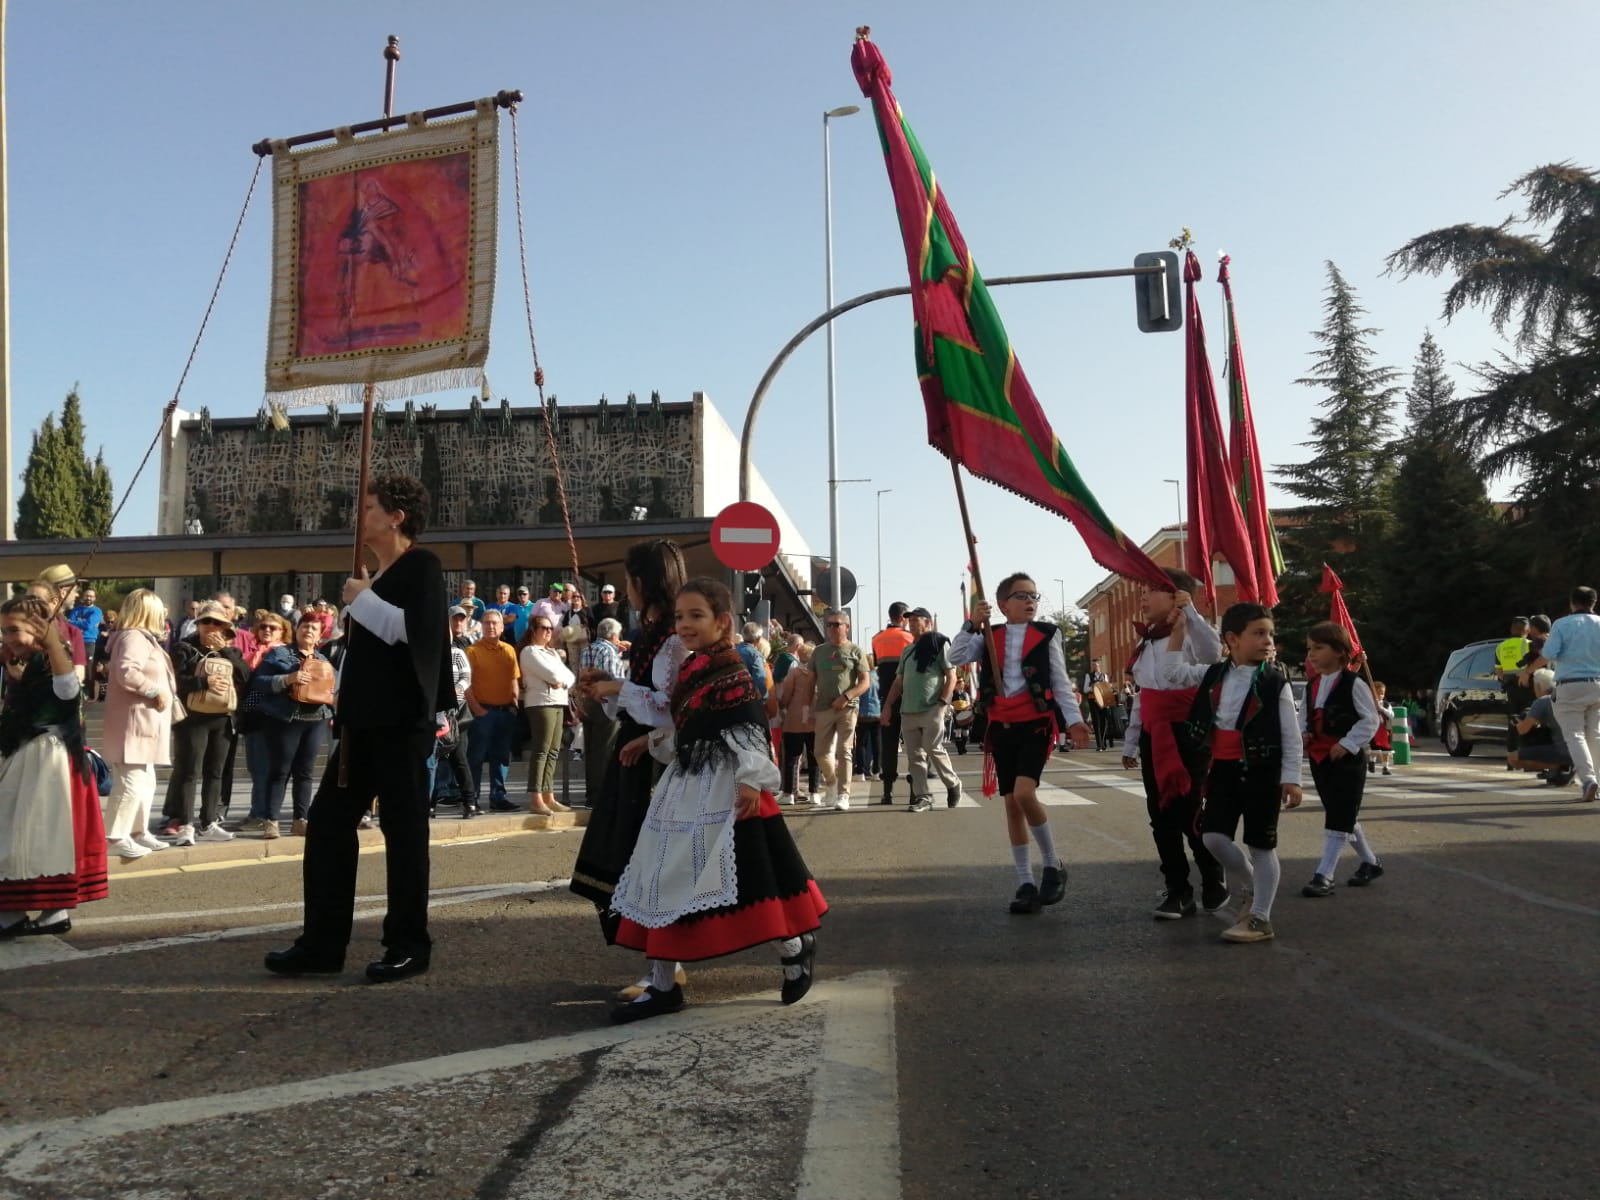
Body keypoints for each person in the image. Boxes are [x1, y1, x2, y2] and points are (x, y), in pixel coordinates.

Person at [606, 577, 827, 1023]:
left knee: (752, 881)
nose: (685, 624)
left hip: (725, 789)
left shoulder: (731, 669)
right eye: (681, 616)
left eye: (696, 616)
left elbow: (749, 728)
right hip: (686, 784)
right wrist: (653, 740)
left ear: (722, 621)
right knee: (663, 875)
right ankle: (664, 985)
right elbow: (693, 726)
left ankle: (793, 947)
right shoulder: (693, 668)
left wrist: (750, 781)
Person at [265, 474, 453, 983]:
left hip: (402, 725)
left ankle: (409, 943)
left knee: (404, 832)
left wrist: (361, 598)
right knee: (327, 827)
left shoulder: (421, 566)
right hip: (361, 726)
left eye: (370, 507)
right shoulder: (376, 575)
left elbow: (418, 638)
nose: (360, 515)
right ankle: (322, 944)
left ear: (397, 516)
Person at [1159, 599, 1302, 943]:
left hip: (1262, 771)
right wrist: (1178, 632)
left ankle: (1260, 918)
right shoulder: (1214, 673)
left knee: (1261, 844)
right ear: (1232, 639)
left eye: (1270, 634)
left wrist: (1291, 778)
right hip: (1222, 769)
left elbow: (1290, 734)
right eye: (1258, 634)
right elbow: (1172, 674)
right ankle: (1253, 885)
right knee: (1213, 838)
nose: (1268, 641)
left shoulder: (1274, 682)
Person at [949, 574, 1092, 914]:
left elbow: (1059, 680)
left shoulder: (1047, 634)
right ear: (1002, 605)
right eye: (1021, 596)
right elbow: (955, 657)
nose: (1030, 601)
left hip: (1035, 725)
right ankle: (1025, 881)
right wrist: (972, 623)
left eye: (1033, 595)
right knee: (1012, 804)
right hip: (1002, 726)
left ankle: (1053, 865)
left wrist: (1074, 721)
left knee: (1026, 794)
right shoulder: (989, 635)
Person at [571, 539, 690, 944]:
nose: (625, 589)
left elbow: (671, 707)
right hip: (635, 758)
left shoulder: (673, 637)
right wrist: (607, 688)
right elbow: (643, 692)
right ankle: (659, 962)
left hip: (659, 762)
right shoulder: (649, 632)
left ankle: (666, 966)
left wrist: (616, 688)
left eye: (627, 580)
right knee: (623, 857)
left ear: (640, 581)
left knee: (655, 862)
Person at [1121, 569, 1231, 919]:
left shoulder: (1190, 635)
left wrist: (1192, 614)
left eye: (1152, 591)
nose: (1143, 598)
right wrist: (1130, 742)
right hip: (1155, 734)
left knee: (1191, 810)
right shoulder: (1146, 642)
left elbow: (1213, 654)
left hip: (1189, 732)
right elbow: (1143, 697)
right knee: (1160, 813)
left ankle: (1213, 876)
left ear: (1176, 597)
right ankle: (1178, 889)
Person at [0, 596, 106, 937]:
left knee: (39, 836)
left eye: (14, 630)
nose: (8, 638)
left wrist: (52, 645)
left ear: (38, 626)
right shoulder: (29, 662)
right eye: (4, 631)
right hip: (28, 754)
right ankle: (17, 911)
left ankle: (48, 911)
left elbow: (68, 692)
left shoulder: (53, 658)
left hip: (49, 759)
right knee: (19, 834)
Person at [1300, 622, 1386, 896]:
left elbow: (1371, 719)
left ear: (1339, 651)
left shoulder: (1353, 682)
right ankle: (1370, 863)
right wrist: (1302, 734)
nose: (1312, 654)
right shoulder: (1312, 684)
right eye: (1310, 649)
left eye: (1319, 648)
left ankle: (1324, 874)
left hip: (1346, 760)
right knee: (1341, 813)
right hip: (1319, 758)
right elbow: (1303, 715)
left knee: (1339, 815)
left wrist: (1348, 743)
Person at [98, 589, 177, 860]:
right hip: (134, 722)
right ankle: (115, 836)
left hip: (141, 721)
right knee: (132, 782)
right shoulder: (134, 637)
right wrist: (155, 691)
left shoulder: (140, 638)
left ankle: (137, 831)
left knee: (145, 780)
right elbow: (126, 672)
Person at [168, 601, 251, 846]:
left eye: (217, 622)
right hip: (192, 718)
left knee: (215, 772)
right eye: (206, 621)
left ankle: (209, 821)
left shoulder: (231, 650)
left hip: (223, 718)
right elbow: (175, 680)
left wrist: (225, 651)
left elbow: (246, 677)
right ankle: (185, 824)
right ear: (198, 624)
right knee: (189, 771)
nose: (211, 626)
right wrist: (205, 682)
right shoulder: (184, 647)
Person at [252, 613, 335, 839]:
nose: (309, 631)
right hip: (284, 719)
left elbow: (333, 690)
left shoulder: (324, 660)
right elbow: (258, 682)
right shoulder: (279, 654)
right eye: (305, 626)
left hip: (316, 720)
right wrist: (288, 679)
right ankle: (271, 820)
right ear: (297, 629)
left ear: (320, 635)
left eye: (314, 629)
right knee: (280, 771)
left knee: (306, 773)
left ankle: (301, 820)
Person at [1519, 585, 1600, 803]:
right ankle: (1598, 781)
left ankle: (1589, 780)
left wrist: (1528, 671)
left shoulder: (1562, 624)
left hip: (1570, 685)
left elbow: (1548, 654)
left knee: (1575, 735)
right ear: (1594, 602)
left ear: (1572, 603)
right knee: (1595, 734)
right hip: (1598, 685)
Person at [884, 607, 962, 811]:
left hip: (932, 708)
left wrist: (943, 704)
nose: (911, 624)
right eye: (909, 621)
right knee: (914, 756)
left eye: (916, 620)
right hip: (908, 711)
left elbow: (951, 676)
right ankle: (923, 797)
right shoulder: (907, 651)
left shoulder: (939, 644)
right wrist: (888, 706)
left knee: (933, 748)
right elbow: (898, 681)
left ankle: (952, 783)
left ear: (928, 623)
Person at [811, 609, 871, 811]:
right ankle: (831, 783)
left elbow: (865, 682)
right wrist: (806, 709)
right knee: (820, 752)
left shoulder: (855, 651)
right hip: (823, 708)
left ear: (847, 627)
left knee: (844, 750)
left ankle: (844, 794)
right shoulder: (819, 651)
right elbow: (810, 682)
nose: (832, 628)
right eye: (829, 624)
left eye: (837, 624)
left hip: (848, 708)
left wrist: (847, 696)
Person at [464, 610, 521, 813]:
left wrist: (514, 705)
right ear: (481, 626)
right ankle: (473, 798)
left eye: (495, 623)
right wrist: (477, 709)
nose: (491, 626)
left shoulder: (509, 650)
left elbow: (514, 678)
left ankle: (498, 797)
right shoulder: (471, 651)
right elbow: (465, 685)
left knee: (502, 757)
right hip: (483, 713)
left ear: (502, 626)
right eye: (487, 623)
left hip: (506, 712)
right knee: (476, 758)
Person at [520, 612, 576, 816]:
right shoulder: (529, 651)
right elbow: (552, 675)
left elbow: (569, 677)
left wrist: (560, 682)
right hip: (540, 703)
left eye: (550, 628)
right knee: (542, 749)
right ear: (534, 631)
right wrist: (557, 680)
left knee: (553, 750)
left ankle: (548, 795)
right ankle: (536, 797)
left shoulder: (551, 653)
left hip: (558, 701)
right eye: (543, 628)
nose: (547, 632)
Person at [577, 618, 627, 807]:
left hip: (588, 701)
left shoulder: (587, 649)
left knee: (591, 750)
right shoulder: (609, 652)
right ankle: (601, 796)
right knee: (604, 750)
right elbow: (615, 680)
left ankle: (592, 793)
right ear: (614, 635)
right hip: (606, 703)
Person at [870, 603, 915, 805]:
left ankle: (887, 793)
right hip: (909, 697)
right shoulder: (910, 638)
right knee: (914, 746)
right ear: (904, 617)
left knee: (888, 746)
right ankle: (915, 792)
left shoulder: (876, 639)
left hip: (885, 698)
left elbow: (879, 665)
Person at [1510, 668, 1574, 786]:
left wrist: (1518, 723)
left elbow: (1523, 730)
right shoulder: (1568, 697)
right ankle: (1564, 769)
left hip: (1564, 750)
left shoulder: (1542, 702)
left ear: (1538, 686)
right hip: (1584, 745)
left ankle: (1563, 765)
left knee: (1512, 758)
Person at [777, 642, 821, 805]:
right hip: (814, 718)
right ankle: (814, 792)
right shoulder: (818, 674)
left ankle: (789, 793)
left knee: (792, 757)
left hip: (795, 718)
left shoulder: (795, 673)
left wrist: (782, 704)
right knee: (814, 757)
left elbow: (787, 694)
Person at [1496, 617, 1532, 771]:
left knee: (1513, 723)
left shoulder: (1501, 647)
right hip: (1528, 688)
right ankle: (1528, 758)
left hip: (1510, 688)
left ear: (1511, 630)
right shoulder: (1529, 645)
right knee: (1530, 721)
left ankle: (1511, 761)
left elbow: (1499, 672)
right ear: (1527, 630)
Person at [67, 587, 104, 673]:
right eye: (87, 596)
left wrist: (75, 622)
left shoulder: (97, 611)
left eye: (91, 596)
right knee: (74, 668)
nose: (89, 598)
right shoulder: (75, 610)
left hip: (89, 642)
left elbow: (88, 625)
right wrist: (81, 623)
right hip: (75, 641)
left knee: (88, 669)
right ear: (83, 596)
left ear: (95, 598)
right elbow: (69, 625)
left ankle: (89, 686)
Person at [1369, 681, 1395, 776]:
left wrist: (1382, 709)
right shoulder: (1369, 704)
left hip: (1385, 730)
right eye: (1378, 693)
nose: (1381, 695)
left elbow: (1392, 715)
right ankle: (1372, 761)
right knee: (1374, 749)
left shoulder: (1386, 705)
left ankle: (1385, 767)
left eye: (1382, 693)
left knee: (1386, 749)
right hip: (1374, 730)